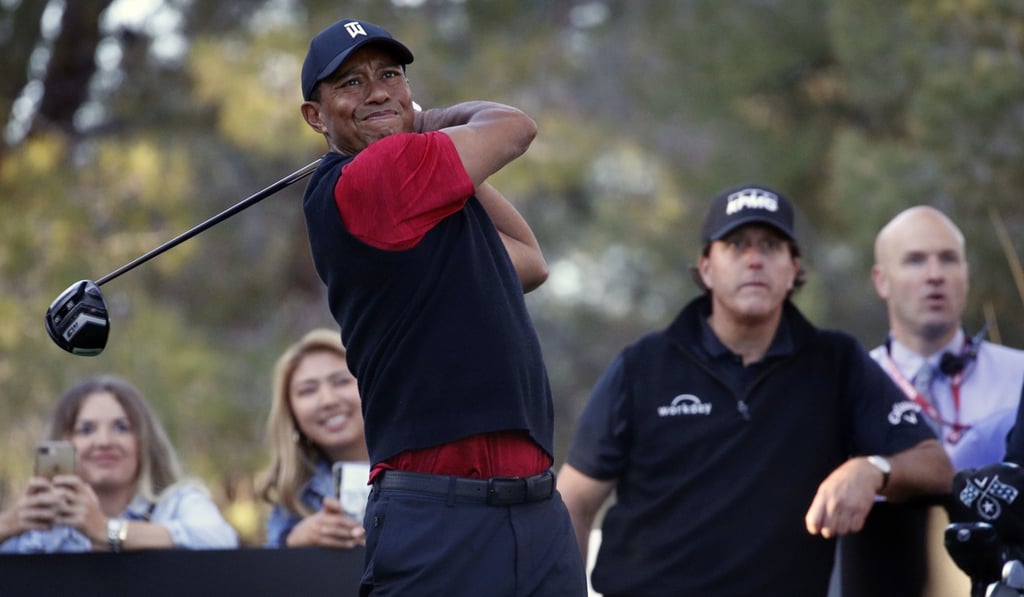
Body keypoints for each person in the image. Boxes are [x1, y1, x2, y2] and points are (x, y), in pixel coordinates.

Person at [297, 17, 586, 595]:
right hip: (440, 517)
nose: (378, 91)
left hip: (535, 510)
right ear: (315, 116)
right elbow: (513, 126)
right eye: (350, 84)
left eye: (391, 76)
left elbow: (530, 260)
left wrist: (422, 143)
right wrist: (426, 122)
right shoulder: (368, 180)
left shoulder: (423, 198)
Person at [556, 184, 954, 596]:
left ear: (793, 267)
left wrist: (874, 470)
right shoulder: (642, 366)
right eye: (735, 244)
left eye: (770, 245)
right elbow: (574, 502)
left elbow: (936, 467)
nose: (754, 260)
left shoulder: (836, 362)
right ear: (706, 266)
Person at [836, 205, 1024, 597]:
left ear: (967, 276)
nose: (935, 274)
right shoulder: (846, 389)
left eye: (948, 259)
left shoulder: (1020, 375)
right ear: (881, 280)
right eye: (915, 260)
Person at [0, 375, 238, 552]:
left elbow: (222, 540)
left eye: (121, 427)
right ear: (64, 443)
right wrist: (10, 524)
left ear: (143, 441)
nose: (104, 441)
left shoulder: (176, 504)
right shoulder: (42, 527)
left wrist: (107, 530)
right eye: (86, 429)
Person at [259, 328, 369, 549]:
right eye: (308, 390)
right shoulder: (293, 495)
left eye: (341, 381)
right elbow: (265, 578)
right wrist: (294, 542)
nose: (327, 400)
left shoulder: (425, 465)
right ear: (291, 413)